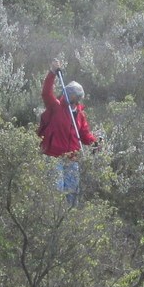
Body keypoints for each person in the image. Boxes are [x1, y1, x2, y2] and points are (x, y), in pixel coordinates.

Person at [38, 59, 98, 206]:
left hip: (72, 158)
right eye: (75, 96)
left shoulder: (79, 113)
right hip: (54, 157)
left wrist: (95, 142)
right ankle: (53, 220)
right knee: (56, 192)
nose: (77, 99)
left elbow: (84, 134)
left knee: (72, 193)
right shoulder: (56, 107)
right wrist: (52, 73)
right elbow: (46, 93)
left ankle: (69, 222)